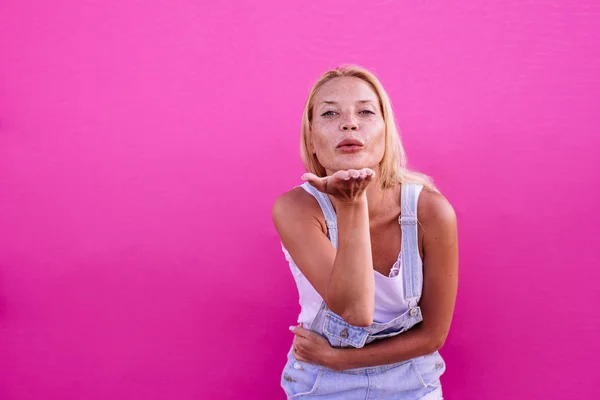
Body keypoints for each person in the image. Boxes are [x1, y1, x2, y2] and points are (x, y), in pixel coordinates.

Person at [271, 65, 459, 399]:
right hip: (321, 384)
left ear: (387, 132)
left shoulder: (431, 212)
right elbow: (355, 312)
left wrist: (341, 359)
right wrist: (350, 202)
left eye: (366, 111)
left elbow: (433, 336)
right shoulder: (295, 209)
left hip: (413, 381)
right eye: (330, 113)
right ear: (311, 140)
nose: (349, 123)